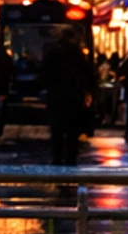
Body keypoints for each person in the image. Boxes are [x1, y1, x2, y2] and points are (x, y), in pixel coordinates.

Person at [40, 25, 93, 165]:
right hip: (73, 97)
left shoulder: (51, 51)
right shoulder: (77, 52)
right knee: (72, 130)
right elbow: (86, 74)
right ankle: (71, 158)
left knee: (56, 130)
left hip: (55, 96)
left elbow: (44, 73)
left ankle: (57, 157)